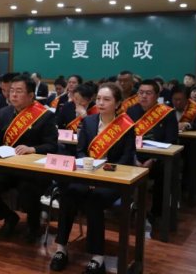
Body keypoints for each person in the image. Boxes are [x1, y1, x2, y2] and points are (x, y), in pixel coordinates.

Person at [51, 83, 136, 274]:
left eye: (107, 99)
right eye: (98, 99)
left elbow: (126, 159)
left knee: (94, 201)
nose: (101, 103)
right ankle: (61, 249)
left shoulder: (126, 126)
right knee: (68, 194)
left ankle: (97, 258)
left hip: (113, 180)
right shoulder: (89, 122)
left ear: (118, 103)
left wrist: (103, 173)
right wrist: (88, 168)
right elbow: (81, 150)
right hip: (87, 175)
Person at [0, 75, 59, 242]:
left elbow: (52, 146)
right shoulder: (4, 112)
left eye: (19, 91)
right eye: (12, 91)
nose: (13, 95)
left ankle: (33, 225)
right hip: (7, 167)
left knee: (27, 192)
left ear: (31, 95)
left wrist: (33, 149)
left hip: (33, 171)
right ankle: (9, 217)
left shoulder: (44, 116)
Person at [127, 79, 177, 226]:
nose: (144, 96)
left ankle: (157, 213)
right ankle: (127, 207)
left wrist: (153, 159)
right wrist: (134, 158)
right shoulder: (131, 111)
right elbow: (126, 140)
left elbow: (171, 140)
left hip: (157, 159)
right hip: (135, 157)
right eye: (141, 93)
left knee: (165, 172)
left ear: (156, 96)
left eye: (148, 93)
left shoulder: (167, 113)